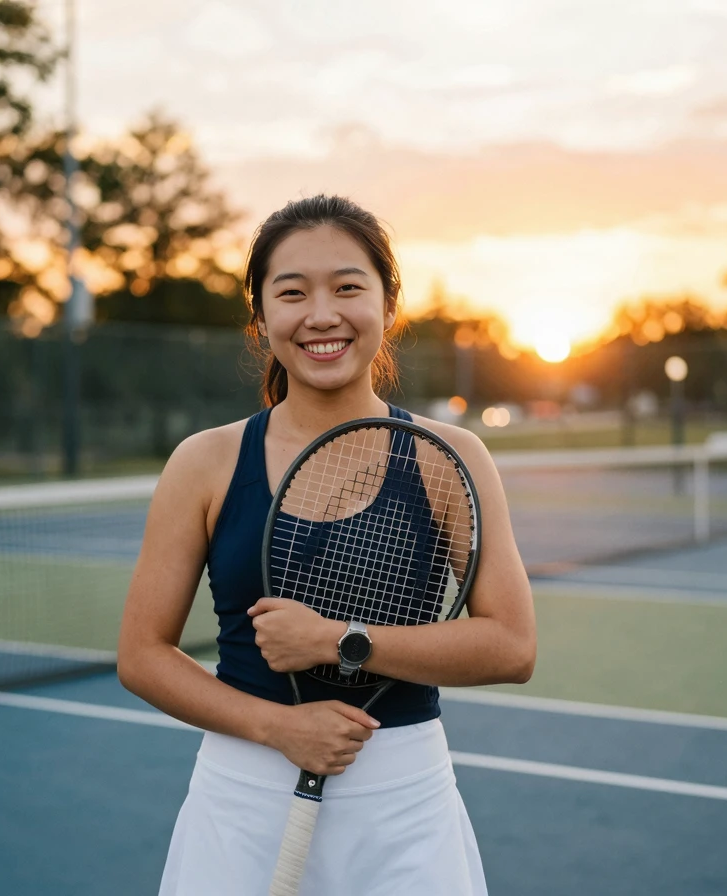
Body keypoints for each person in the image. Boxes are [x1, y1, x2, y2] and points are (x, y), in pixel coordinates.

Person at [118, 194, 536, 895]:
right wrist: (276, 728)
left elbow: (513, 646)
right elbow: (141, 655)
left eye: (348, 287)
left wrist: (342, 640)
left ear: (388, 305)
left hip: (404, 799)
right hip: (242, 794)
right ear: (261, 319)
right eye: (292, 292)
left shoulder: (448, 457)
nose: (321, 315)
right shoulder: (205, 461)